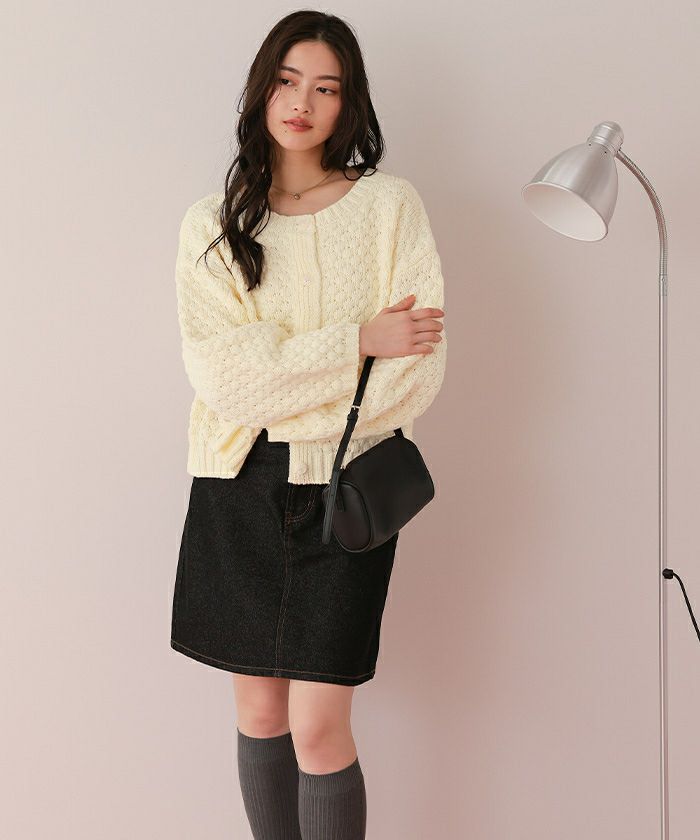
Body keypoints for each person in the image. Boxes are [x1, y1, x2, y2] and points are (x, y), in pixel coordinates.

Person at [170, 10, 447, 839]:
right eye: (288, 82)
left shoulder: (390, 206)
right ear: (262, 89)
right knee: (260, 714)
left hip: (347, 488)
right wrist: (356, 341)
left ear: (348, 103)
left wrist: (283, 374)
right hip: (238, 484)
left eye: (326, 88)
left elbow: (414, 372)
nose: (302, 103)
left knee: (320, 727)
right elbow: (224, 379)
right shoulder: (213, 224)